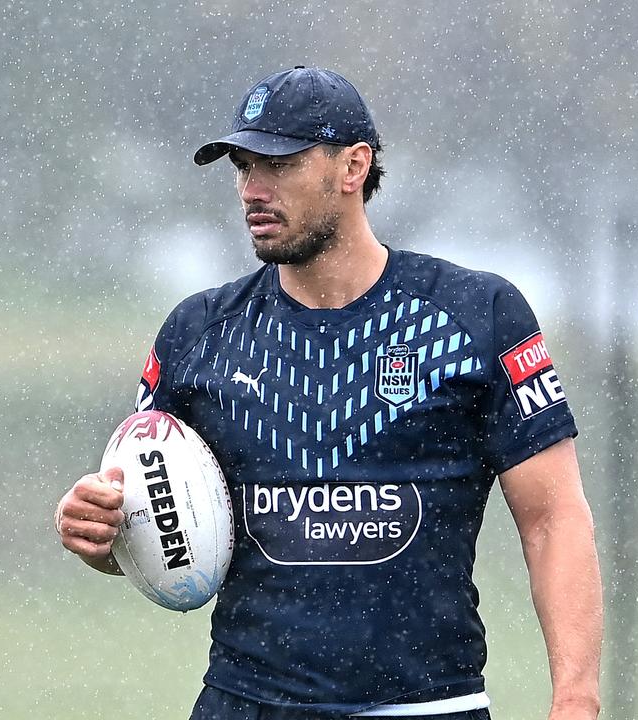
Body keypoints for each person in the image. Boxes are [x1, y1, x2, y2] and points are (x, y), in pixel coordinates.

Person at [55, 66, 603, 720]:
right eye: (242, 167)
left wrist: (576, 697)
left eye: (278, 166)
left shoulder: (475, 315)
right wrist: (103, 534)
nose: (252, 190)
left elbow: (553, 519)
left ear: (353, 168)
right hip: (246, 705)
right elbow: (158, 527)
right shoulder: (197, 334)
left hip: (426, 707)